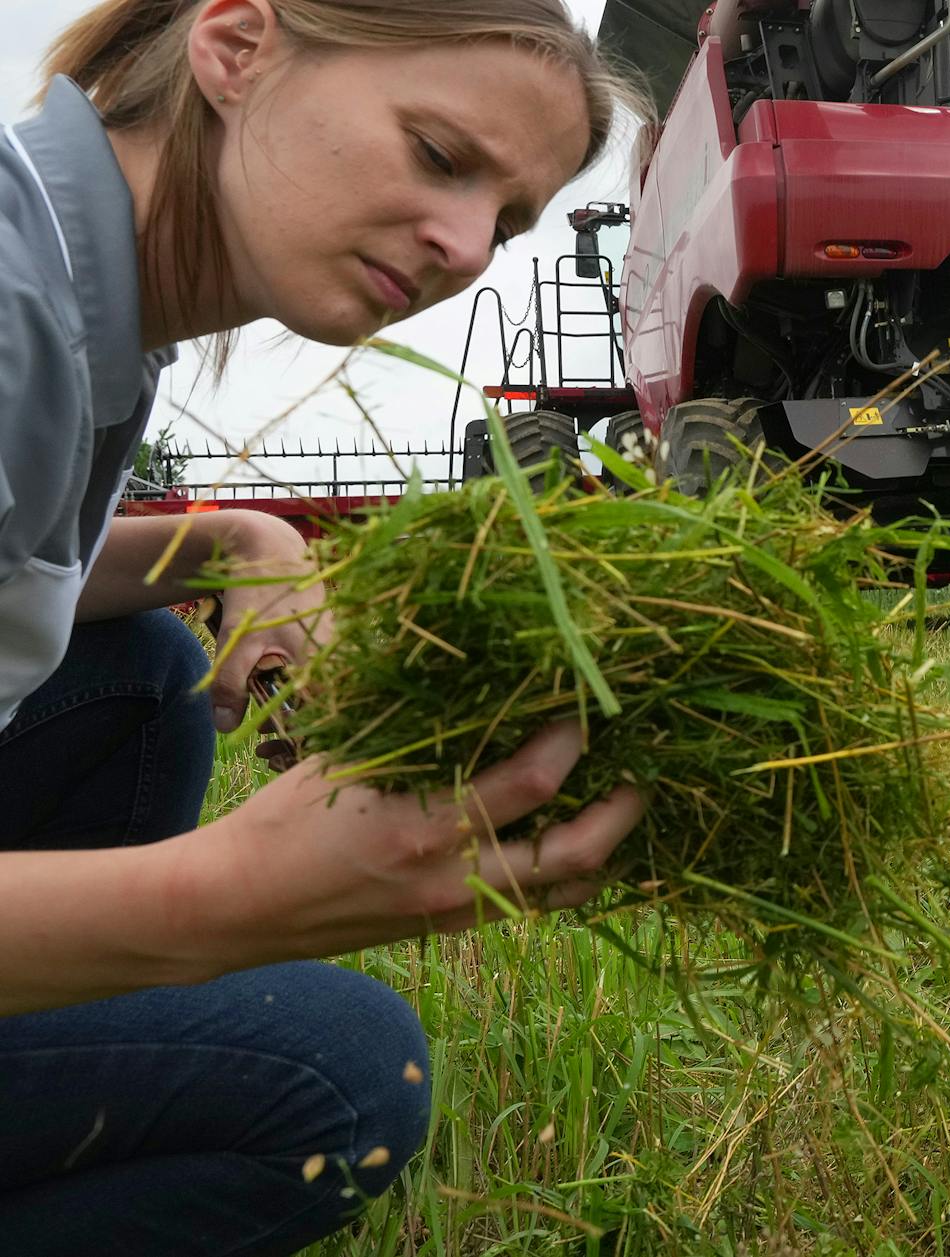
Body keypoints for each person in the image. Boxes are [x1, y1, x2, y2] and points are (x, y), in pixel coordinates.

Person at [0, 0, 645, 1250]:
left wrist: (246, 539)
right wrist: (227, 898)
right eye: (440, 156)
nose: (466, 247)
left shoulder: (86, 301)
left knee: (142, 669)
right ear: (237, 47)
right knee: (341, 1073)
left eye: (509, 223)